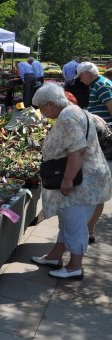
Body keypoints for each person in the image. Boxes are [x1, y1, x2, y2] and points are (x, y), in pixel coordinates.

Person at [30, 83, 112, 279]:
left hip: (81, 181)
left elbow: (78, 149)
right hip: (88, 177)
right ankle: (55, 255)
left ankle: (75, 266)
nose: (41, 112)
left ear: (51, 104)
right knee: (67, 221)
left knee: (74, 223)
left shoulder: (67, 116)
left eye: (41, 107)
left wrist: (67, 180)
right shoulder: (75, 110)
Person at [74, 61, 112, 243]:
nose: (80, 80)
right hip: (100, 139)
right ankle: (88, 228)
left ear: (88, 74)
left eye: (81, 76)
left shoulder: (102, 85)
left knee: (98, 185)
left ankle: (89, 229)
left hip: (104, 142)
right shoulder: (97, 84)